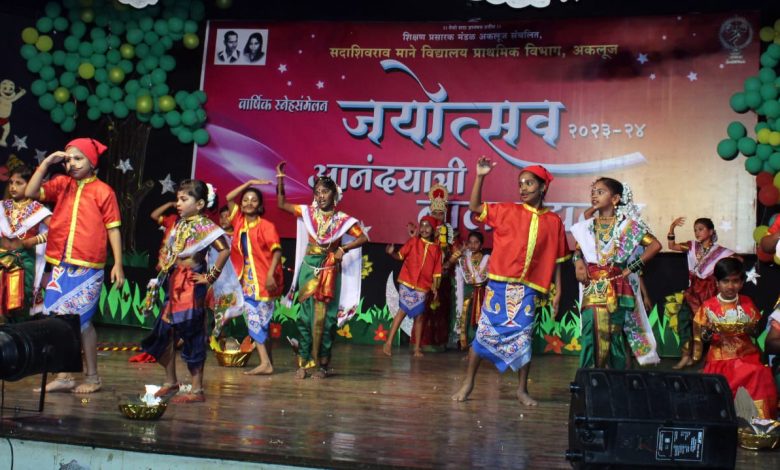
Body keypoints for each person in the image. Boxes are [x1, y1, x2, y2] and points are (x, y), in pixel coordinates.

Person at [452, 158, 569, 405]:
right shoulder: (507, 211)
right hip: (498, 286)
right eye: (520, 184)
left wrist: (558, 290)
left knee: (524, 339)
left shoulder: (553, 221)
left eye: (529, 183)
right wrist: (480, 176)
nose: (523, 188)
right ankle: (468, 383)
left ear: (543, 187)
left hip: (528, 289)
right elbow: (474, 206)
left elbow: (558, 259)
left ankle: (522, 390)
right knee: (483, 335)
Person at [25, 138, 124, 394]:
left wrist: (118, 264)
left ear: (92, 162)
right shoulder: (62, 184)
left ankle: (93, 377)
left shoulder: (103, 191)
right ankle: (65, 375)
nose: (72, 164)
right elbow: (30, 193)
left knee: (82, 323)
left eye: (78, 158)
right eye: (68, 160)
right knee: (58, 321)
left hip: (88, 267)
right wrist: (47, 163)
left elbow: (113, 229)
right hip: (60, 265)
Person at [141, 180, 230, 404]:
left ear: (199, 204)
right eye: (178, 199)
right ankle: (171, 381)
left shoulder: (206, 226)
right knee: (164, 332)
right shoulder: (180, 224)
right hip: (175, 282)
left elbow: (224, 250)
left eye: (183, 199)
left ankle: (197, 390)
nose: (178, 204)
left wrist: (210, 277)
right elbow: (172, 254)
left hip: (191, 285)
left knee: (192, 333)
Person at [276, 162, 367, 379]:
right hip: (309, 269)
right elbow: (281, 204)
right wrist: (280, 179)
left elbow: (363, 237)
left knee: (326, 321)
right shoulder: (308, 213)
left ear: (334, 194)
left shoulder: (342, 220)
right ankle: (303, 363)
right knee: (304, 318)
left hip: (329, 272)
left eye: (325, 192)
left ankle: (322, 366)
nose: (320, 196)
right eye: (317, 192)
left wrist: (343, 249)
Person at [570, 177, 660, 370]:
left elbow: (655, 245)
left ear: (615, 198)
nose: (594, 195)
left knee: (614, 334)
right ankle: (588, 378)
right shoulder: (587, 226)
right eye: (593, 192)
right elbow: (577, 252)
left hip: (617, 285)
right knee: (591, 331)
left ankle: (614, 380)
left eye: (600, 192)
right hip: (593, 285)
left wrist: (631, 267)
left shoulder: (628, 227)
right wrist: (578, 262)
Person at [693, 257, 777, 419]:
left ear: (741, 282)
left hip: (747, 356)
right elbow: (703, 338)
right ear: (717, 283)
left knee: (760, 372)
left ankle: (758, 423)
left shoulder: (746, 302)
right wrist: (708, 332)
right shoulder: (708, 306)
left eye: (735, 281)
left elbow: (755, 332)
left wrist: (749, 328)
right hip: (719, 359)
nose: (731, 286)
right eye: (726, 281)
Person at [224, 179, 282, 375]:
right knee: (254, 319)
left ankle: (267, 363)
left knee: (260, 321)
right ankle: (266, 362)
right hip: (246, 280)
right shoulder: (239, 222)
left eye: (254, 200)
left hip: (264, 279)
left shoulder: (267, 226)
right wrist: (248, 183)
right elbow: (229, 197)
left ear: (260, 205)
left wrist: (271, 275)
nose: (249, 203)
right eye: (246, 200)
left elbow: (276, 252)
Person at [667, 217, 734, 369]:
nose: (697, 232)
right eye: (695, 230)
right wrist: (672, 228)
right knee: (684, 320)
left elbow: (738, 260)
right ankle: (685, 356)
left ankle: (706, 359)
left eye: (701, 229)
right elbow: (672, 246)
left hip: (709, 292)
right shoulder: (691, 246)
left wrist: (719, 276)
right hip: (692, 292)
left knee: (707, 327)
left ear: (710, 232)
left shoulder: (720, 251)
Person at [383, 215, 442, 357]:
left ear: (433, 229)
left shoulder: (436, 249)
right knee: (402, 312)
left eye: (428, 226)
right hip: (407, 282)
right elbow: (400, 256)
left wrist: (435, 287)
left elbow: (437, 271)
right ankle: (388, 343)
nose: (424, 229)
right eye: (422, 225)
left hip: (423, 286)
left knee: (419, 316)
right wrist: (392, 253)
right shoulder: (413, 241)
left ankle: (417, 349)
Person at [0, 164, 51, 322]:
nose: (13, 187)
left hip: (24, 260)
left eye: (19, 183)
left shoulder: (38, 210)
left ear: (31, 184)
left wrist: (34, 240)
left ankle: (18, 332)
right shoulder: (3, 206)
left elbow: (58, 229)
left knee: (19, 300)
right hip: (1, 257)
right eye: (11, 182)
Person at [451, 230, 490, 350]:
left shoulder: (487, 259)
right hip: (467, 292)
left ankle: (478, 345)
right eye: (470, 242)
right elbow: (450, 262)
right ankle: (466, 344)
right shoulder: (464, 258)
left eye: (476, 242)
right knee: (466, 316)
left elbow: (485, 277)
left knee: (480, 317)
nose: (473, 245)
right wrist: (462, 250)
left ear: (481, 245)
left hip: (482, 293)